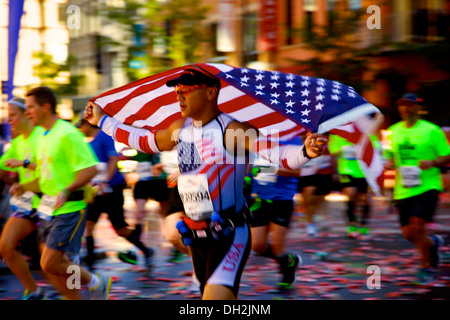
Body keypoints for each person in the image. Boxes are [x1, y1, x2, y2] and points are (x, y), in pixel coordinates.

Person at [84, 69, 327, 300]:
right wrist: (102, 120)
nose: (179, 95)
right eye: (177, 91)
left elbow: (276, 152)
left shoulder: (232, 130)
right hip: (195, 235)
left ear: (210, 93)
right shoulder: (181, 129)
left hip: (229, 233)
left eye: (186, 90)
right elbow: (145, 141)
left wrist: (305, 151)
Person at [10, 86, 111, 300]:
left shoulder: (67, 133)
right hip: (48, 209)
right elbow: (45, 175)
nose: (27, 112)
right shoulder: (44, 137)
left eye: (30, 107)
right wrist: (24, 187)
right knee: (57, 265)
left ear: (46, 107)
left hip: (71, 209)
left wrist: (67, 190)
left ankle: (97, 283)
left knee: (51, 262)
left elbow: (91, 168)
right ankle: (78, 295)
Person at [385, 93, 450, 283]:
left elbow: (447, 155)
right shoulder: (393, 131)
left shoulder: (431, 130)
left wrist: (433, 162)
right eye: (402, 105)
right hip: (403, 188)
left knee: (417, 225)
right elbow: (390, 154)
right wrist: (389, 162)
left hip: (427, 185)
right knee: (409, 234)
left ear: (417, 108)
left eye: (410, 105)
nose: (406, 108)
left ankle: (425, 268)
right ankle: (433, 243)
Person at [76, 119, 154, 272]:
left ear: (86, 125)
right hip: (96, 191)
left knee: (120, 229)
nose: (80, 130)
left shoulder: (104, 137)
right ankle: (90, 265)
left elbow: (113, 160)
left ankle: (146, 250)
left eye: (81, 127)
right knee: (89, 225)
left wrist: (105, 181)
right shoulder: (86, 143)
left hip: (113, 189)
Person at [0, 97, 45, 299]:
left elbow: (51, 170)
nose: (9, 120)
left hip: (51, 199)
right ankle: (34, 291)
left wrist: (24, 163)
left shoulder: (42, 136)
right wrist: (15, 184)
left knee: (55, 260)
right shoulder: (18, 142)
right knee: (6, 247)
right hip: (27, 200)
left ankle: (91, 283)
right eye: (7, 117)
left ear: (26, 114)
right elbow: (2, 168)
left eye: (13, 116)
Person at [249, 136, 302, 291]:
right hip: (259, 199)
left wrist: (270, 169)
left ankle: (287, 271)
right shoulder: (256, 136)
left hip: (282, 199)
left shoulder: (292, 139)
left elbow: (297, 171)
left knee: (277, 246)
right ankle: (289, 260)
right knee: (257, 245)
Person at [328, 133, 380, 238]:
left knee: (364, 198)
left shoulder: (365, 129)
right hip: (346, 170)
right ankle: (352, 224)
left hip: (364, 170)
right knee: (351, 194)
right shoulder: (339, 132)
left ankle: (364, 223)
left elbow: (376, 147)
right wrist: (344, 149)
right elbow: (332, 152)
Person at [297, 132, 334, 236]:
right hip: (307, 172)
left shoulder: (327, 137)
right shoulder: (299, 137)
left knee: (319, 198)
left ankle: (315, 215)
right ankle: (310, 223)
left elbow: (331, 153)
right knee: (309, 198)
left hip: (324, 172)